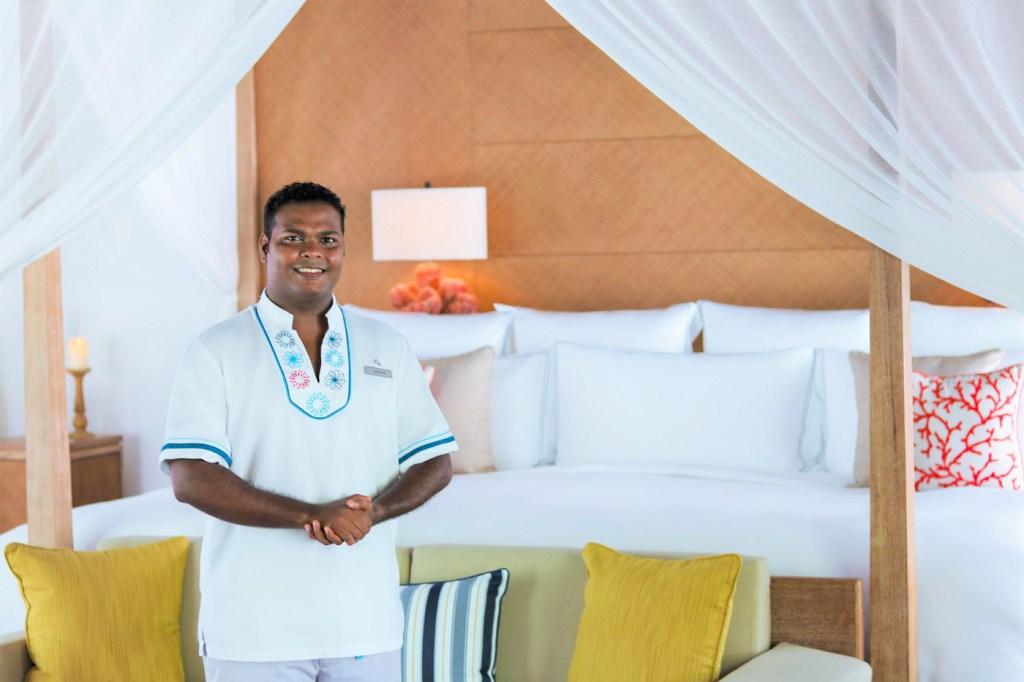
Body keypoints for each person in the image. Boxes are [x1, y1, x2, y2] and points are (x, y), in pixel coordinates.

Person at [160, 181, 456, 681]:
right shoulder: (215, 349)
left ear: (342, 249)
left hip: (365, 622)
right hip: (252, 629)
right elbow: (190, 478)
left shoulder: (387, 344)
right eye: (293, 238)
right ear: (265, 247)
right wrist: (311, 515)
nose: (312, 251)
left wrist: (374, 512)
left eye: (328, 239)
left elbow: (435, 461)